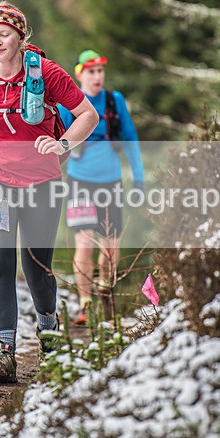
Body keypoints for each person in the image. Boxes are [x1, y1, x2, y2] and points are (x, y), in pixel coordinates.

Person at [0, 2, 98, 383]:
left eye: (4, 34)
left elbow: (88, 115)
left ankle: (49, 330)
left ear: (21, 37)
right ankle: (5, 353)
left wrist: (63, 144)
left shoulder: (48, 74)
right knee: (0, 262)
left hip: (42, 180)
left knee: (36, 268)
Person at [58, 50, 145, 325]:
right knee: (84, 242)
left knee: (110, 246)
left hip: (111, 181)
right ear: (80, 74)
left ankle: (104, 289)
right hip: (80, 181)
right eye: (91, 72)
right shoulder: (70, 102)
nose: (97, 77)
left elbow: (130, 137)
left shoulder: (113, 100)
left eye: (100, 71)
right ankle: (85, 304)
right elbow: (58, 140)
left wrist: (139, 177)